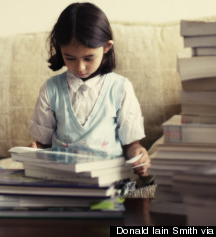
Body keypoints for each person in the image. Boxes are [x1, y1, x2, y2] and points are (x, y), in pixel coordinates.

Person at [28, 2, 150, 177]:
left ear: (106, 47)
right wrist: (35, 149)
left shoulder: (120, 88)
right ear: (60, 48)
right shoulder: (51, 89)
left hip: (110, 176)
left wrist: (138, 155)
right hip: (64, 177)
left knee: (143, 192)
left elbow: (131, 144)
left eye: (89, 58)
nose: (80, 67)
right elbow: (43, 144)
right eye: (70, 58)